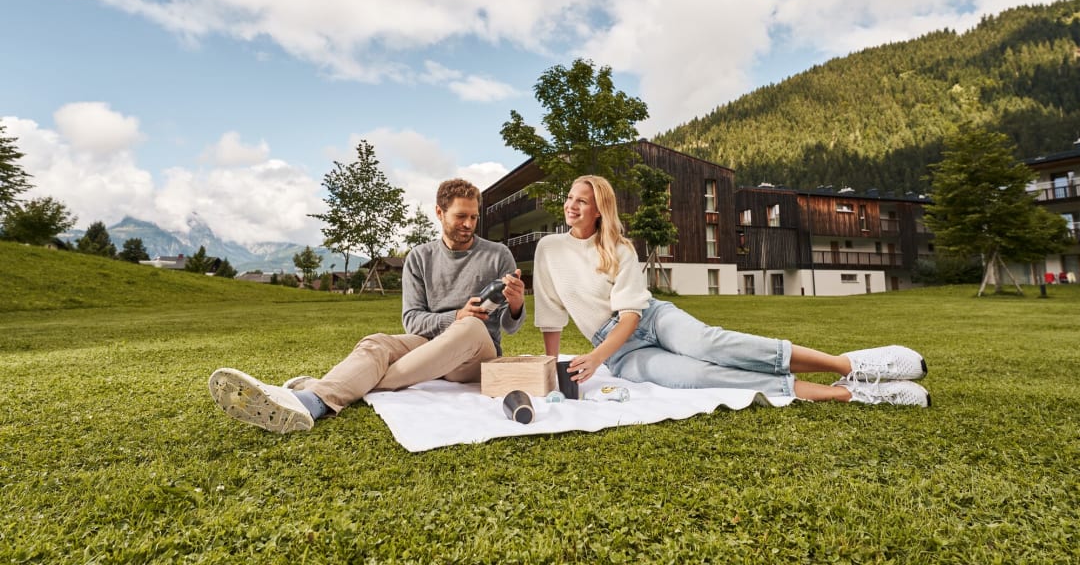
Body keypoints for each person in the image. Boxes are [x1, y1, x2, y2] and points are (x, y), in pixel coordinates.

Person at [533, 175, 930, 407]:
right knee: (696, 375)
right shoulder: (549, 249)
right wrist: (553, 369)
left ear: (599, 209)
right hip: (622, 353)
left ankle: (850, 366)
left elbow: (632, 315)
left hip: (649, 318)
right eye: (569, 199)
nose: (571, 206)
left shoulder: (619, 248)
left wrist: (596, 357)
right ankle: (850, 395)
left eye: (581, 201)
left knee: (709, 344)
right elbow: (551, 313)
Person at [208, 178, 527, 433]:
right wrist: (454, 315)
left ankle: (320, 387)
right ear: (439, 212)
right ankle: (311, 403)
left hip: (475, 354)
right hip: (429, 346)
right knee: (376, 344)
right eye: (461, 216)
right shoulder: (420, 257)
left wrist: (515, 305)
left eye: (474, 217)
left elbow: (510, 328)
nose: (469, 224)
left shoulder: (498, 255)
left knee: (469, 326)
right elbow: (412, 321)